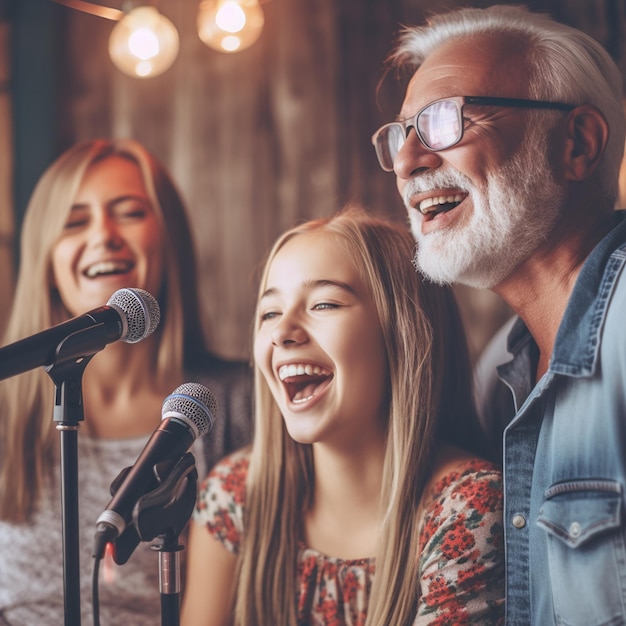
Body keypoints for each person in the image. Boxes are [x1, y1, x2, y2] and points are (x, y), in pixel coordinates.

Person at [370, 4, 626, 625]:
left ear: (577, 144)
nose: (408, 162)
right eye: (404, 133)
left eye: (443, 121)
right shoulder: (496, 378)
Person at [181, 207, 504, 625]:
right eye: (270, 313)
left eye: (325, 304)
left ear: (404, 333)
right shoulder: (235, 495)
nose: (282, 332)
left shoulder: (468, 510)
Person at [0, 138, 253, 625]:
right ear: (46, 258)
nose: (104, 235)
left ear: (168, 238)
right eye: (75, 221)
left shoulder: (239, 406)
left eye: (130, 212)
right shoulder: (7, 416)